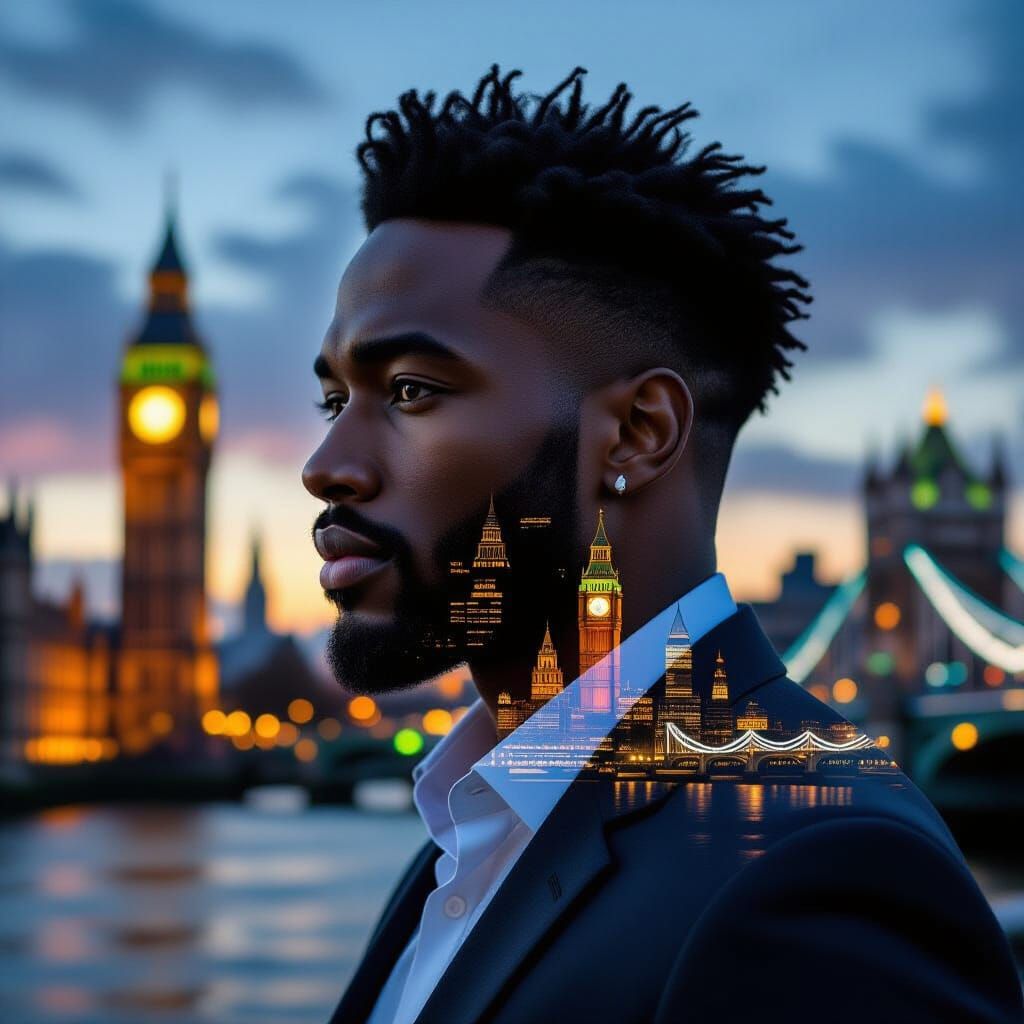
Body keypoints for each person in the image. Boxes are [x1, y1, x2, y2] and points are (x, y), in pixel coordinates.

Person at [301, 65, 1023, 1024]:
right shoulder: (468, 837)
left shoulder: (819, 873)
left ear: (638, 434)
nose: (325, 464)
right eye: (334, 400)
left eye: (410, 392)